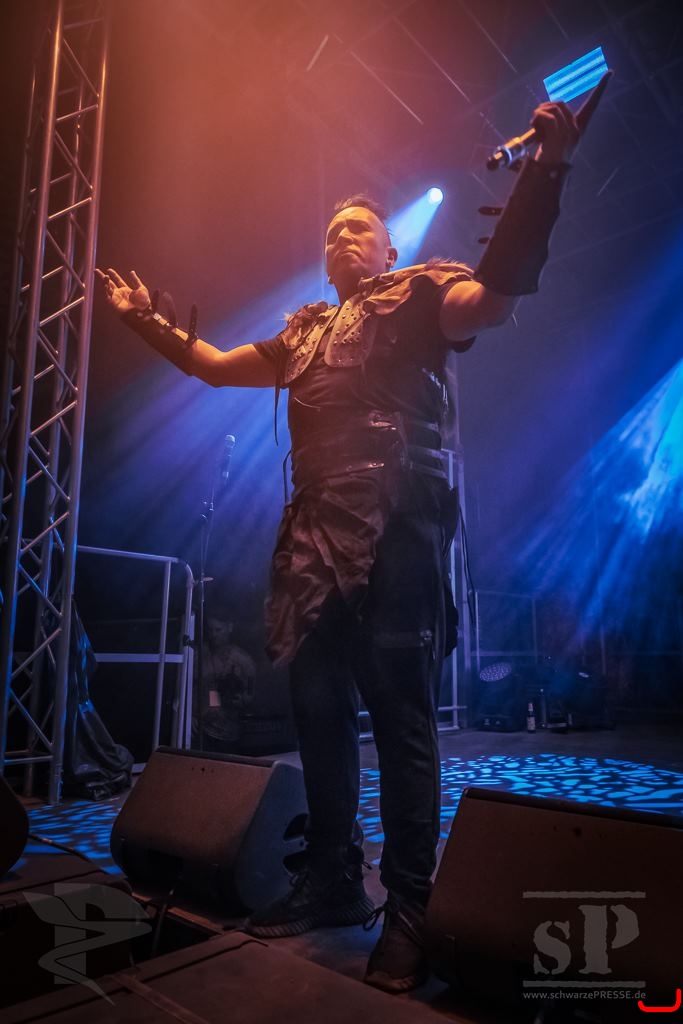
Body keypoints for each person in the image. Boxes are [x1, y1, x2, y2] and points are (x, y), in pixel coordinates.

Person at [96, 99, 580, 993]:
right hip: (313, 535)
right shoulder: (306, 329)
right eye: (331, 232)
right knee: (316, 710)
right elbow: (212, 366)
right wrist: (142, 320)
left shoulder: (424, 289)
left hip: (398, 523)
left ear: (389, 248)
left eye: (359, 228)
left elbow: (496, 298)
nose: (342, 238)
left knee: (399, 718)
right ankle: (330, 879)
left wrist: (541, 178)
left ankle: (409, 907)